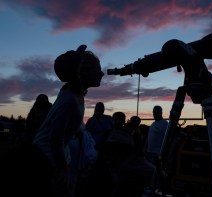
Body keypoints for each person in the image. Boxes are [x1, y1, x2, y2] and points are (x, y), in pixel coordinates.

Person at [32, 44, 104, 196]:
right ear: (81, 72)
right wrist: (63, 169)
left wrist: (77, 56)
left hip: (56, 155)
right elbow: (54, 140)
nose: (102, 73)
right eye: (97, 69)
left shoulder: (74, 93)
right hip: (46, 158)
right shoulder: (70, 100)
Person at [89, 112, 154, 197]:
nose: (109, 158)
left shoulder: (133, 134)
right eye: (114, 120)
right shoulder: (109, 133)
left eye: (114, 153)